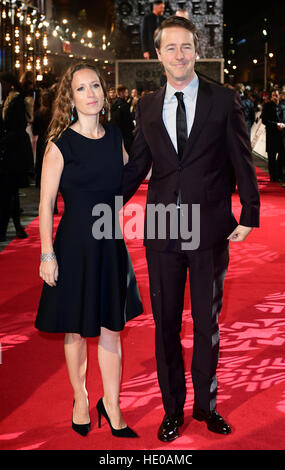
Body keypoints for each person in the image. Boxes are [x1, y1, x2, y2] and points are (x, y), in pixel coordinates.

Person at [122, 16, 260, 442]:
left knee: (206, 321)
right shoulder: (146, 106)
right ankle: (171, 409)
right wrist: (100, 199)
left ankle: (206, 405)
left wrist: (250, 212)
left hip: (208, 228)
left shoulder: (224, 99)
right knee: (165, 324)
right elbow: (139, 168)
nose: (179, 55)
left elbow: (241, 157)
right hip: (162, 230)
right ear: (158, 54)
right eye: (171, 47)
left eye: (186, 47)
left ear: (196, 50)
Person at [35, 62, 143, 438]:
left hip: (110, 243)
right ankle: (81, 398)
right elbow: (46, 203)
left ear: (104, 91)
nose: (91, 93)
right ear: (71, 98)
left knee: (112, 328)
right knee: (76, 331)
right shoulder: (60, 144)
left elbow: (131, 177)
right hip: (75, 246)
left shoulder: (115, 137)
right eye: (81, 88)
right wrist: (47, 254)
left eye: (95, 85)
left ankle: (111, 405)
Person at [0, 72, 33, 242]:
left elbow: (17, 129)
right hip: (9, 152)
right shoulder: (6, 101)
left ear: (9, 84)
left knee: (8, 192)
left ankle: (8, 228)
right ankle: (16, 227)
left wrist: (3, 141)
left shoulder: (16, 102)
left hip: (14, 154)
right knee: (9, 192)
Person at [261, 90, 285, 183]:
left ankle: (280, 175)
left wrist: (284, 124)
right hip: (271, 135)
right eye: (273, 95)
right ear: (271, 96)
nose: (275, 97)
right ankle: (273, 177)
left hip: (282, 136)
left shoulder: (283, 106)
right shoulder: (267, 106)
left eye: (276, 95)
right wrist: (276, 124)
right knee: (272, 157)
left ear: (279, 95)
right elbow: (264, 121)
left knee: (282, 156)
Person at [110, 85, 135, 153]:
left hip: (116, 134)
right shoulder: (124, 105)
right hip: (125, 135)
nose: (127, 95)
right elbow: (128, 121)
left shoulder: (113, 104)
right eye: (126, 93)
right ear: (121, 93)